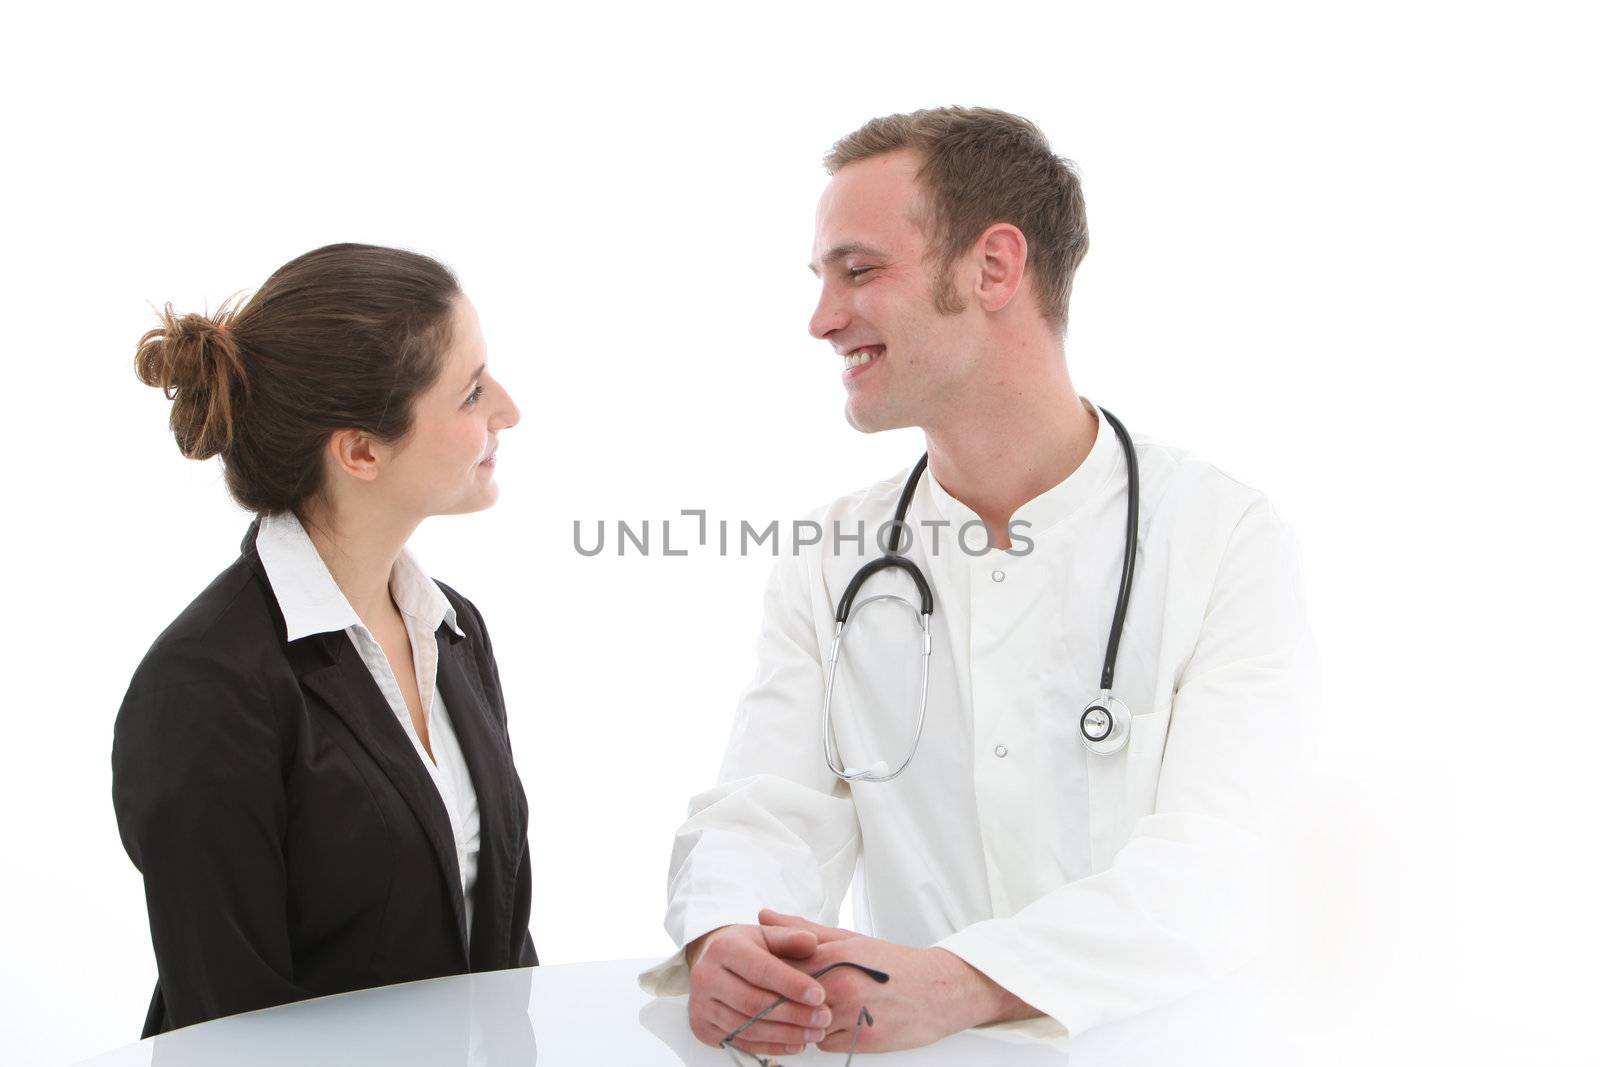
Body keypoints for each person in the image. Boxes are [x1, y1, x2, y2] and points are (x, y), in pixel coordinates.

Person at [640, 107, 1316, 1058]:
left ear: (994, 268)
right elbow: (770, 807)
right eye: (822, 278)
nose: (822, 318)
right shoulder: (836, 553)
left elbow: (1222, 867)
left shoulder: (1223, 537)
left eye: (859, 269)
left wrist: (961, 983)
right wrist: (728, 940)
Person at [113, 243, 535, 1037]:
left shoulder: (454, 630)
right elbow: (228, 1030)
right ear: (361, 450)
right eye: (472, 391)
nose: (508, 409)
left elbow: (501, 945)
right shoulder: (205, 685)